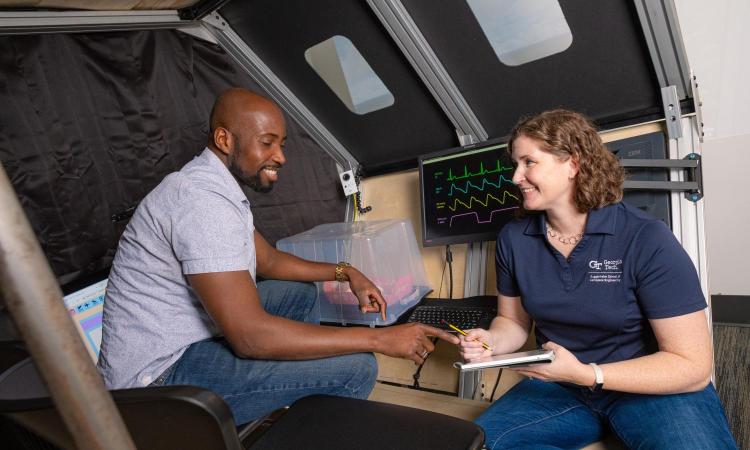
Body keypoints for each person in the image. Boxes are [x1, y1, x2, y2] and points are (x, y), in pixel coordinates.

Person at [97, 87, 458, 425]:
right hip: (157, 379)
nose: (281, 157)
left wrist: (346, 272)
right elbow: (250, 337)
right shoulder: (201, 204)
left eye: (281, 144)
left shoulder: (214, 186)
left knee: (300, 294)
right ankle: (298, 414)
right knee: (358, 368)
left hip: (187, 337)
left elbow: (268, 260)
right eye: (267, 143)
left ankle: (283, 396)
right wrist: (381, 339)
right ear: (224, 139)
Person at [459, 109, 737, 449]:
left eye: (529, 162)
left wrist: (590, 374)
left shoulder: (646, 238)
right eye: (515, 164)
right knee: (482, 444)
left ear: (573, 163)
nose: (516, 177)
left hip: (647, 386)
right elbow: (513, 322)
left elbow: (692, 366)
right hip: (562, 386)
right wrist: (490, 340)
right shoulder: (514, 239)